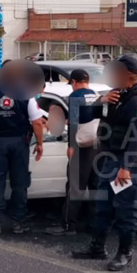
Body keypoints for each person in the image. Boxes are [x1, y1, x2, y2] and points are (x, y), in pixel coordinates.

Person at [72, 56, 137, 271]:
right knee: (103, 205)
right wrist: (100, 101)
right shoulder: (114, 97)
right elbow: (82, 117)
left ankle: (125, 253)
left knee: (125, 208)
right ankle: (97, 247)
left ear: (128, 74)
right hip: (109, 158)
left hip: (128, 162)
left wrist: (126, 168)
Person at [0, 61, 45, 235]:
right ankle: (18, 223)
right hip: (19, 143)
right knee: (19, 183)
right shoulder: (26, 93)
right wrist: (40, 143)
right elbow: (37, 122)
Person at [47, 69, 100, 236]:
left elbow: (75, 122)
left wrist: (71, 146)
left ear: (75, 82)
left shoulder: (75, 97)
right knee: (94, 186)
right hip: (97, 146)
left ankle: (69, 225)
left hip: (82, 147)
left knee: (75, 187)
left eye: (72, 84)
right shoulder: (97, 95)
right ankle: (93, 223)